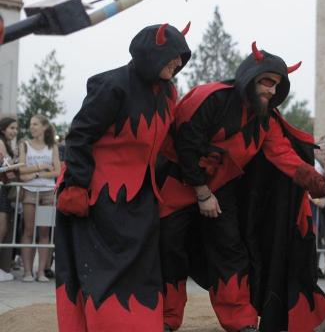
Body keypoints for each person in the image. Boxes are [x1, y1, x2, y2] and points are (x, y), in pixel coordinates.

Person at [158, 42, 325, 332]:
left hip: (223, 189)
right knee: (169, 247)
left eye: (277, 85)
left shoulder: (265, 122)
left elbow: (283, 154)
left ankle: (240, 319)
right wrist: (202, 193)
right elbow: (185, 143)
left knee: (230, 250)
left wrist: (313, 179)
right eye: (267, 82)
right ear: (250, 76)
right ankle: (166, 317)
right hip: (178, 182)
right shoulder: (209, 98)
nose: (272, 91)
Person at [55, 22, 191, 331]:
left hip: (140, 196)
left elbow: (167, 141)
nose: (178, 63)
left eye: (181, 57)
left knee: (142, 268)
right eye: (173, 56)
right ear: (152, 54)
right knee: (103, 269)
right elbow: (79, 135)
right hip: (97, 194)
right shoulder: (113, 85)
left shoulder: (168, 92)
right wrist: (76, 184)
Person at [17, 115, 60, 282]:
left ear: (44, 127)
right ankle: (27, 272)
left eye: (35, 124)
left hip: (48, 192)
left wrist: (34, 173)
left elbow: (57, 171)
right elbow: (21, 171)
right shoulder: (25, 145)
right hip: (29, 191)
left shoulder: (52, 146)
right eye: (30, 124)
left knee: (44, 232)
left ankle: (41, 271)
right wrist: (40, 168)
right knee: (28, 231)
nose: (32, 127)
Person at [0, 117, 18, 282]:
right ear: (4, 129)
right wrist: (18, 164)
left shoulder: (8, 145)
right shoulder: (1, 143)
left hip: (4, 189)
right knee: (2, 228)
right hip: (1, 189)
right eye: (12, 128)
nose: (14, 131)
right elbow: (5, 166)